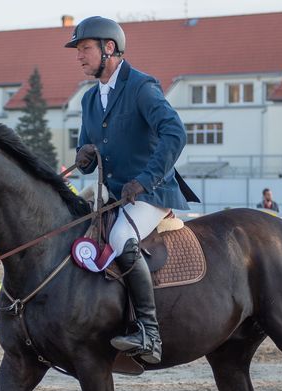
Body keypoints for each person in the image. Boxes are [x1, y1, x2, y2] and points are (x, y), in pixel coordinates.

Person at [67, 16, 198, 364]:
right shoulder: (89, 100)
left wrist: (146, 178)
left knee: (123, 236)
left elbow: (175, 133)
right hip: (112, 195)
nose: (79, 56)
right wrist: (83, 157)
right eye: (78, 50)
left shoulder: (141, 87)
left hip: (150, 192)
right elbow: (91, 158)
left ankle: (149, 332)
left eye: (84, 49)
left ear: (109, 49)